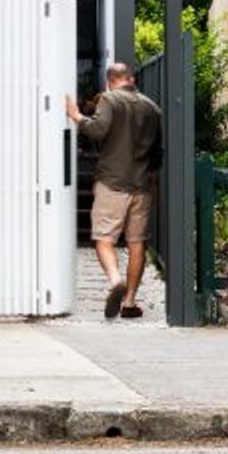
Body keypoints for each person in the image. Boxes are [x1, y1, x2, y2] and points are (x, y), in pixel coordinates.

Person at [66, 62, 161, 320]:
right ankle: (129, 302)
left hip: (112, 183)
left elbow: (97, 130)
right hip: (141, 186)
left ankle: (115, 280)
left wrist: (76, 117)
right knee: (136, 243)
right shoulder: (152, 108)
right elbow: (157, 153)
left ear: (110, 81)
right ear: (131, 79)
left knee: (104, 239)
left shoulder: (109, 99)